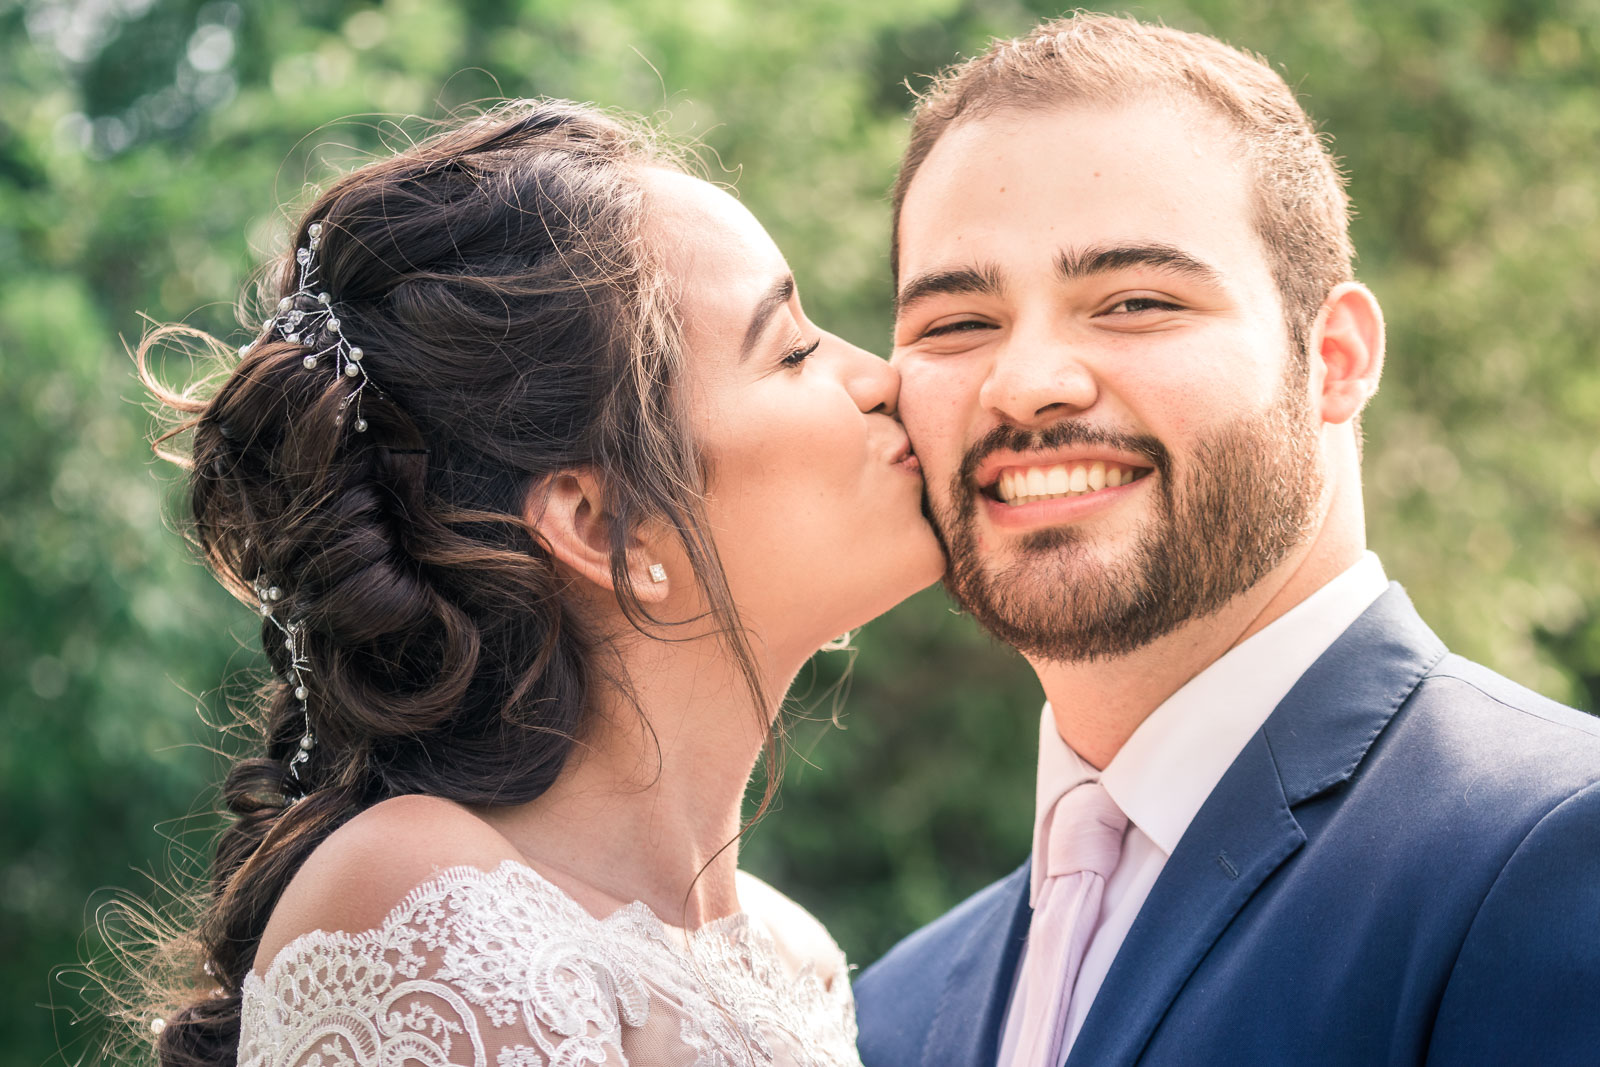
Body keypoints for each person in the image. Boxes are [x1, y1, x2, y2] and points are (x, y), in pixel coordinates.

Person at [854, 13, 1600, 1066]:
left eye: (1135, 301)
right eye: (956, 323)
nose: (1024, 382)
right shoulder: (892, 1007)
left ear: (1334, 358)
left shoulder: (1557, 850)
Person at [136, 99, 941, 1066]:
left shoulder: (794, 956)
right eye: (796, 350)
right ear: (602, 525)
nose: (884, 376)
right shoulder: (429, 902)